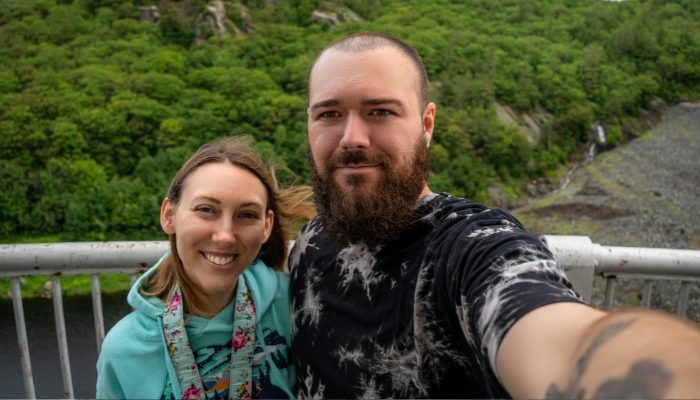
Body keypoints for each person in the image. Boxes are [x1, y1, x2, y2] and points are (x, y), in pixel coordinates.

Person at [288, 32, 700, 399]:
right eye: (329, 114)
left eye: (380, 112)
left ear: (426, 125)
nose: (352, 138)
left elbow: (557, 334)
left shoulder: (471, 247)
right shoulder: (309, 242)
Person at [96, 137, 314, 399]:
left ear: (267, 226)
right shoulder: (124, 350)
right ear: (169, 215)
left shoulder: (294, 305)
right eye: (206, 209)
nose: (225, 236)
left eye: (247, 215)